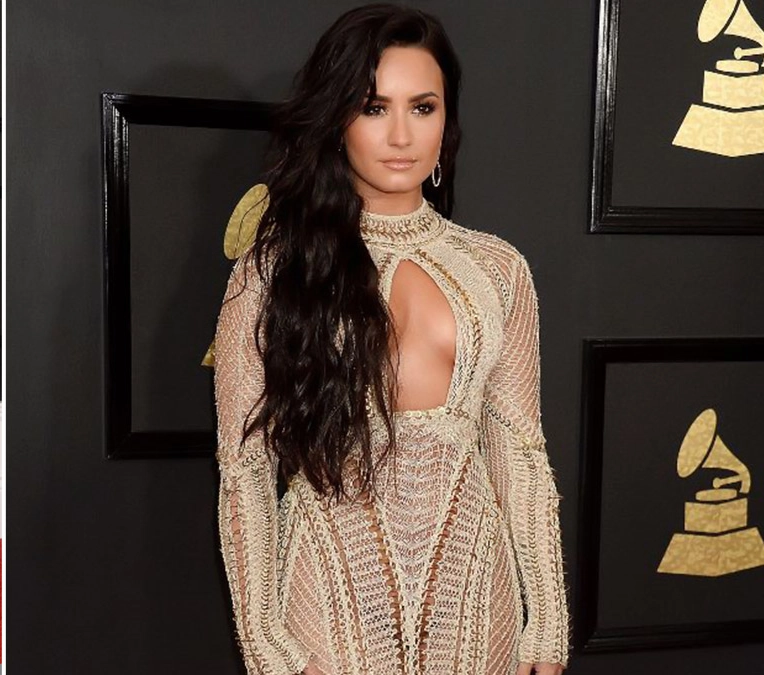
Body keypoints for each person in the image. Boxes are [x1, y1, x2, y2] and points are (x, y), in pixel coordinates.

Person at [213, 5, 569, 675]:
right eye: (374, 108)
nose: (402, 135)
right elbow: (245, 469)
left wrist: (547, 627)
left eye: (423, 107)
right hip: (328, 606)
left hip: (476, 602)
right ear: (337, 120)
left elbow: (519, 455)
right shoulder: (273, 271)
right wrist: (269, 649)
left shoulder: (498, 269)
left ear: (447, 121)